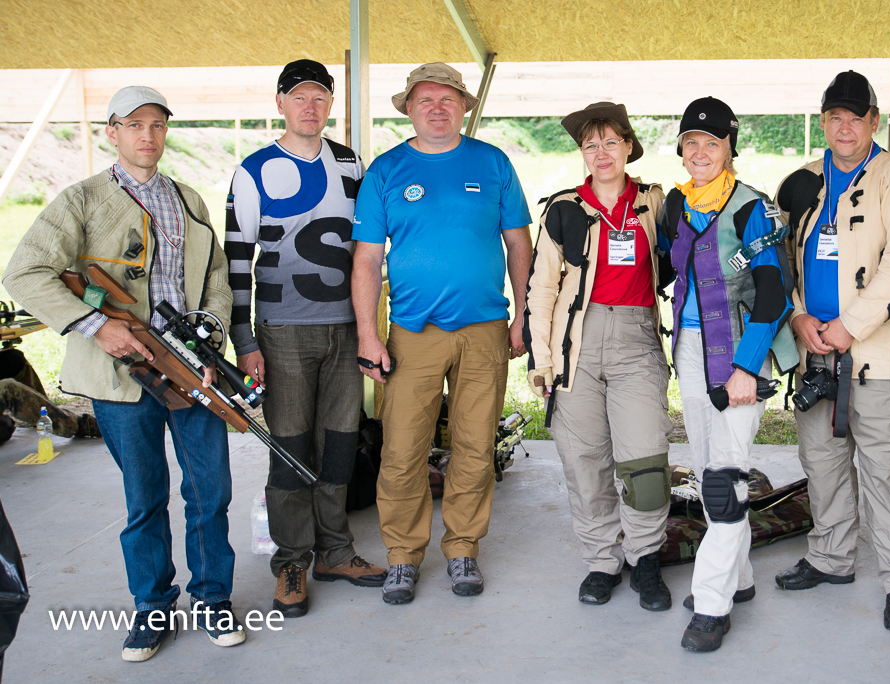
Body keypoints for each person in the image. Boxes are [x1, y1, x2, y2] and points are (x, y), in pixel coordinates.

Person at [2, 86, 242, 662]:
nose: (147, 136)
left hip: (188, 372)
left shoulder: (187, 200)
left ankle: (213, 599)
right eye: (134, 125)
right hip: (118, 377)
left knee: (210, 491)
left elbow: (215, 277)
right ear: (112, 131)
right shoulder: (80, 200)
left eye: (158, 125)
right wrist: (94, 324)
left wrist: (208, 346)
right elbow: (26, 272)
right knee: (145, 496)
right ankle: (152, 608)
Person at [351, 63, 533, 604]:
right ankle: (403, 556)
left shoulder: (492, 162)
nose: (437, 107)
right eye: (425, 99)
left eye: (448, 98)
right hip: (412, 333)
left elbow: (519, 245)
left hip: (485, 331)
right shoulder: (386, 171)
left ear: (464, 107)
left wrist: (522, 314)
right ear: (408, 108)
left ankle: (462, 550)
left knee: (475, 448)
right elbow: (365, 263)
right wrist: (369, 334)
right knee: (402, 451)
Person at [225, 60, 387, 619]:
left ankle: (336, 551)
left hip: (346, 326)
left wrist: (371, 327)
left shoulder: (349, 163)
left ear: (329, 105)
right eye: (300, 97)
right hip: (281, 330)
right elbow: (236, 261)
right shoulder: (254, 171)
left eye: (320, 97)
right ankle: (292, 560)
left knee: (341, 444)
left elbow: (368, 246)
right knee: (291, 449)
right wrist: (244, 340)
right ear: (280, 104)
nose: (310, 107)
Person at [773, 71, 890, 631]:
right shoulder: (800, 183)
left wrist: (851, 324)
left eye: (855, 117)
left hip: (881, 356)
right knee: (823, 463)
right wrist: (797, 314)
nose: (845, 127)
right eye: (834, 117)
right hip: (816, 349)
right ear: (823, 121)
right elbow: (778, 259)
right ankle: (831, 556)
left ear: (875, 121)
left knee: (887, 470)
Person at [524, 102, 674, 610]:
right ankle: (602, 560)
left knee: (645, 457)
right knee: (583, 458)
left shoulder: (654, 202)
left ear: (629, 145)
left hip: (636, 338)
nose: (601, 152)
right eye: (591, 144)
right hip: (577, 343)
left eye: (611, 142)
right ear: (582, 153)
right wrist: (541, 359)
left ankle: (646, 557)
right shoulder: (563, 207)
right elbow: (542, 286)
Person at [663, 97, 800, 652]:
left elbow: (773, 294)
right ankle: (738, 577)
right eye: (691, 142)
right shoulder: (675, 205)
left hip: (742, 349)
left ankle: (712, 606)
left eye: (712, 143)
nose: (701, 152)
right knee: (705, 466)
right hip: (690, 349)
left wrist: (747, 367)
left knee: (724, 477)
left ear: (729, 148)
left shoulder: (751, 208)